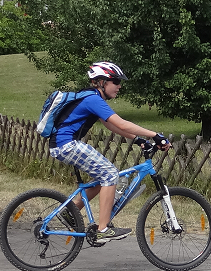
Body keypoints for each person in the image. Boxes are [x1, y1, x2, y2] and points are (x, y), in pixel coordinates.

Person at [48, 62, 170, 240]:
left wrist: (138, 140)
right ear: (101, 82)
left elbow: (112, 125)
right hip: (66, 144)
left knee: (102, 179)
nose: (119, 86)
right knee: (110, 174)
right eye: (115, 81)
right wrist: (155, 135)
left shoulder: (92, 97)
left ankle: (70, 212)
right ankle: (103, 230)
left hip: (63, 144)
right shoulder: (93, 99)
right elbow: (120, 122)